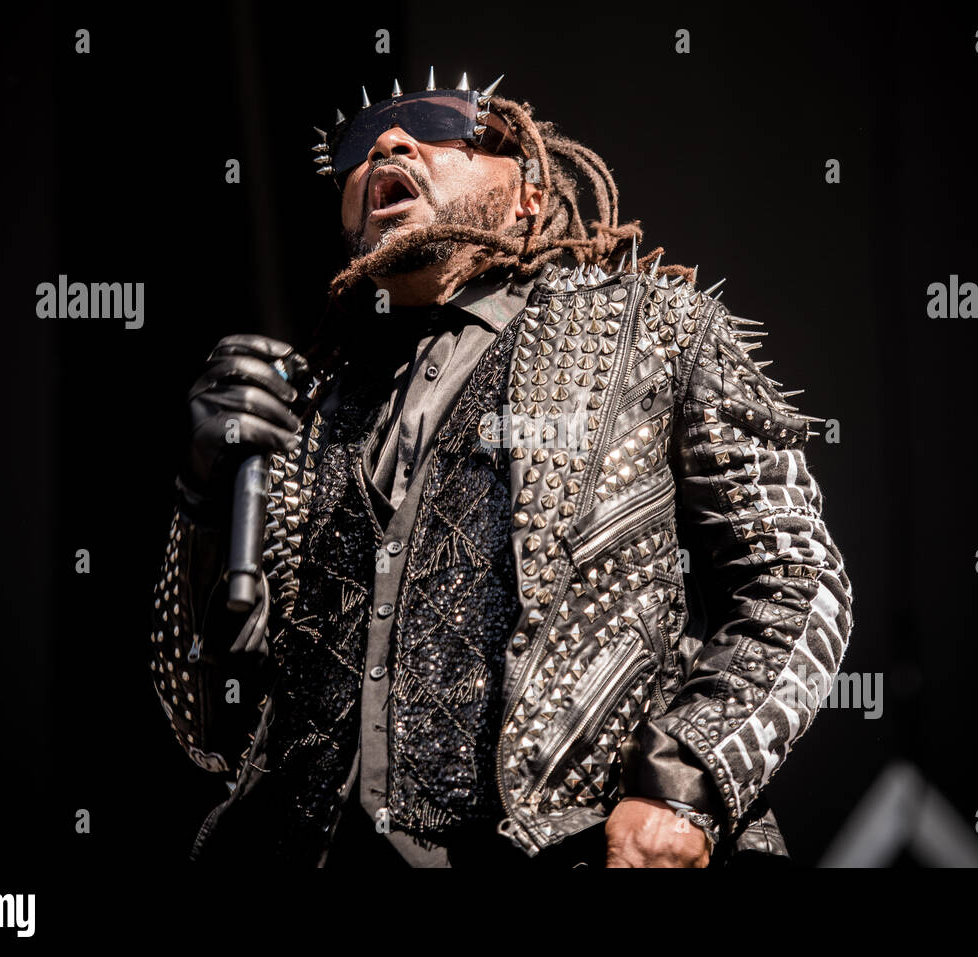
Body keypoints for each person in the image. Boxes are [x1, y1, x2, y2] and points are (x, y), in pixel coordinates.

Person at [149, 69, 854, 868]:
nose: (387, 141)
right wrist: (204, 503)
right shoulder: (307, 408)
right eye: (357, 144)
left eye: (438, 122)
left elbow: (794, 581)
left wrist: (682, 784)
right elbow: (211, 729)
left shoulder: (653, 331)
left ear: (526, 194)